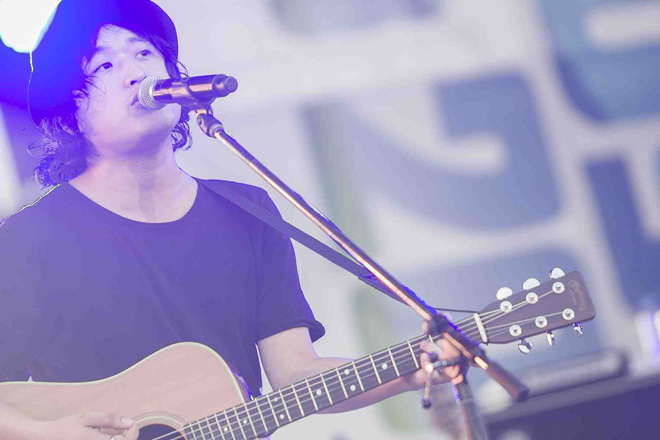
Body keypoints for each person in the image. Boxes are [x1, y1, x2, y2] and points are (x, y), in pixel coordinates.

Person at [0, 1, 460, 439]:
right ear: (70, 116)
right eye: (103, 65)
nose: (136, 73)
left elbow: (296, 373)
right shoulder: (28, 242)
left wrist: (410, 371)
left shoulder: (245, 211)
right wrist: (48, 434)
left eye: (144, 53)